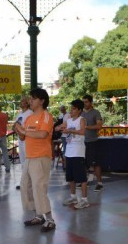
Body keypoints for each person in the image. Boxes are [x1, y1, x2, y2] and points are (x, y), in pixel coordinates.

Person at [15, 88, 56, 232]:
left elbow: (43, 134)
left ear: (42, 100)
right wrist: (18, 129)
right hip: (29, 157)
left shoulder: (46, 116)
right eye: (30, 98)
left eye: (33, 98)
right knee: (26, 187)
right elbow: (23, 137)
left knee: (39, 188)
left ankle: (50, 220)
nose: (30, 101)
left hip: (41, 157)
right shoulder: (29, 118)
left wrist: (24, 131)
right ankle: (38, 215)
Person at [60, 99, 89, 209]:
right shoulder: (69, 120)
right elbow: (61, 126)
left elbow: (82, 132)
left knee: (81, 177)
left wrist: (70, 131)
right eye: (71, 108)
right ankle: (73, 197)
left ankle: (85, 199)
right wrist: (59, 127)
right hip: (69, 151)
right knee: (70, 177)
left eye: (73, 109)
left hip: (78, 152)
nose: (71, 110)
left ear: (79, 110)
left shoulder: (82, 120)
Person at [82, 94, 104, 191]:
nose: (84, 103)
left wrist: (87, 126)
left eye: (86, 102)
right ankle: (84, 182)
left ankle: (99, 183)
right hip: (82, 142)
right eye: (83, 102)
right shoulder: (81, 113)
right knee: (83, 163)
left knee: (96, 163)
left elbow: (99, 126)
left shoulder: (96, 112)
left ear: (91, 102)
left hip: (93, 141)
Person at [14, 95, 33, 189]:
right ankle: (24, 181)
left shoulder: (30, 113)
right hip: (20, 139)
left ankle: (30, 182)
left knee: (28, 161)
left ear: (27, 103)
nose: (20, 103)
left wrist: (21, 131)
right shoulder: (19, 114)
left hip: (27, 139)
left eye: (22, 101)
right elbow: (16, 125)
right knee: (22, 161)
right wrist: (16, 129)